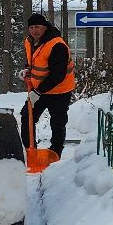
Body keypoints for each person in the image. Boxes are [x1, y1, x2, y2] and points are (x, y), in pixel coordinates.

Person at [22, 13, 76, 157]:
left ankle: (55, 153)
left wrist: (38, 92)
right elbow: (33, 61)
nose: (34, 30)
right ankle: (29, 150)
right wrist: (27, 70)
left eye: (37, 27)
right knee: (27, 116)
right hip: (39, 90)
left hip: (60, 91)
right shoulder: (29, 42)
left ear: (45, 27)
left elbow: (58, 75)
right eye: (31, 27)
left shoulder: (57, 45)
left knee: (57, 123)